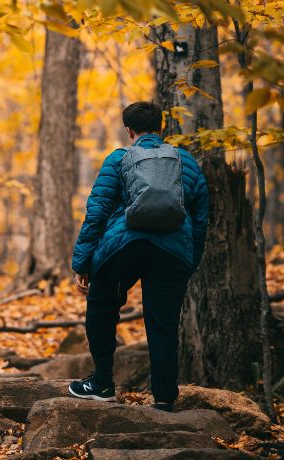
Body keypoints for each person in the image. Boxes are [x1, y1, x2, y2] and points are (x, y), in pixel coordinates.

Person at [69, 101, 209, 412]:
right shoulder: (186, 162)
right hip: (172, 253)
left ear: (129, 131)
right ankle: (163, 398)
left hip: (125, 248)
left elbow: (97, 212)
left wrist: (82, 262)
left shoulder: (119, 159)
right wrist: (191, 260)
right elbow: (200, 220)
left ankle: (102, 382)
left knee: (102, 306)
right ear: (163, 127)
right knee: (163, 323)